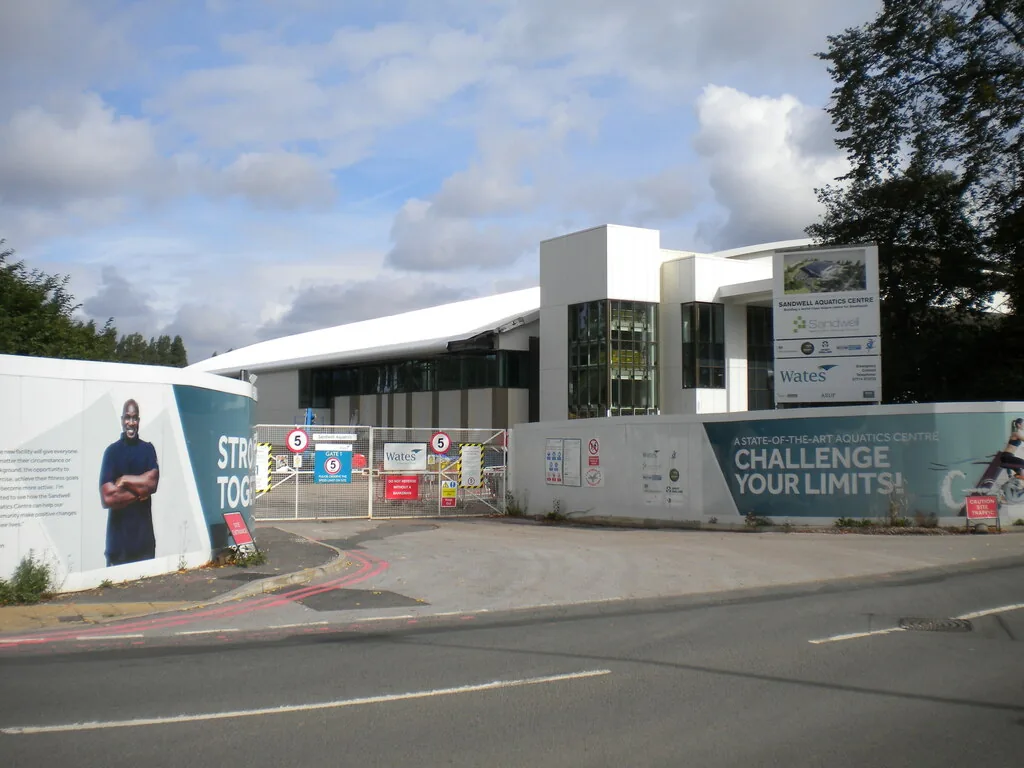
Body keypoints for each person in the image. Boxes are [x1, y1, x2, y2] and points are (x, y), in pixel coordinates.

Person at [99, 399, 160, 566]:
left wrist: (124, 480)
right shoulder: (112, 452)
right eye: (127, 417)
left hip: (144, 545)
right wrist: (141, 492)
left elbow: (152, 484)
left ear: (139, 421)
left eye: (134, 418)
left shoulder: (147, 449)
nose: (131, 423)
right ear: (122, 420)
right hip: (118, 548)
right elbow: (108, 498)